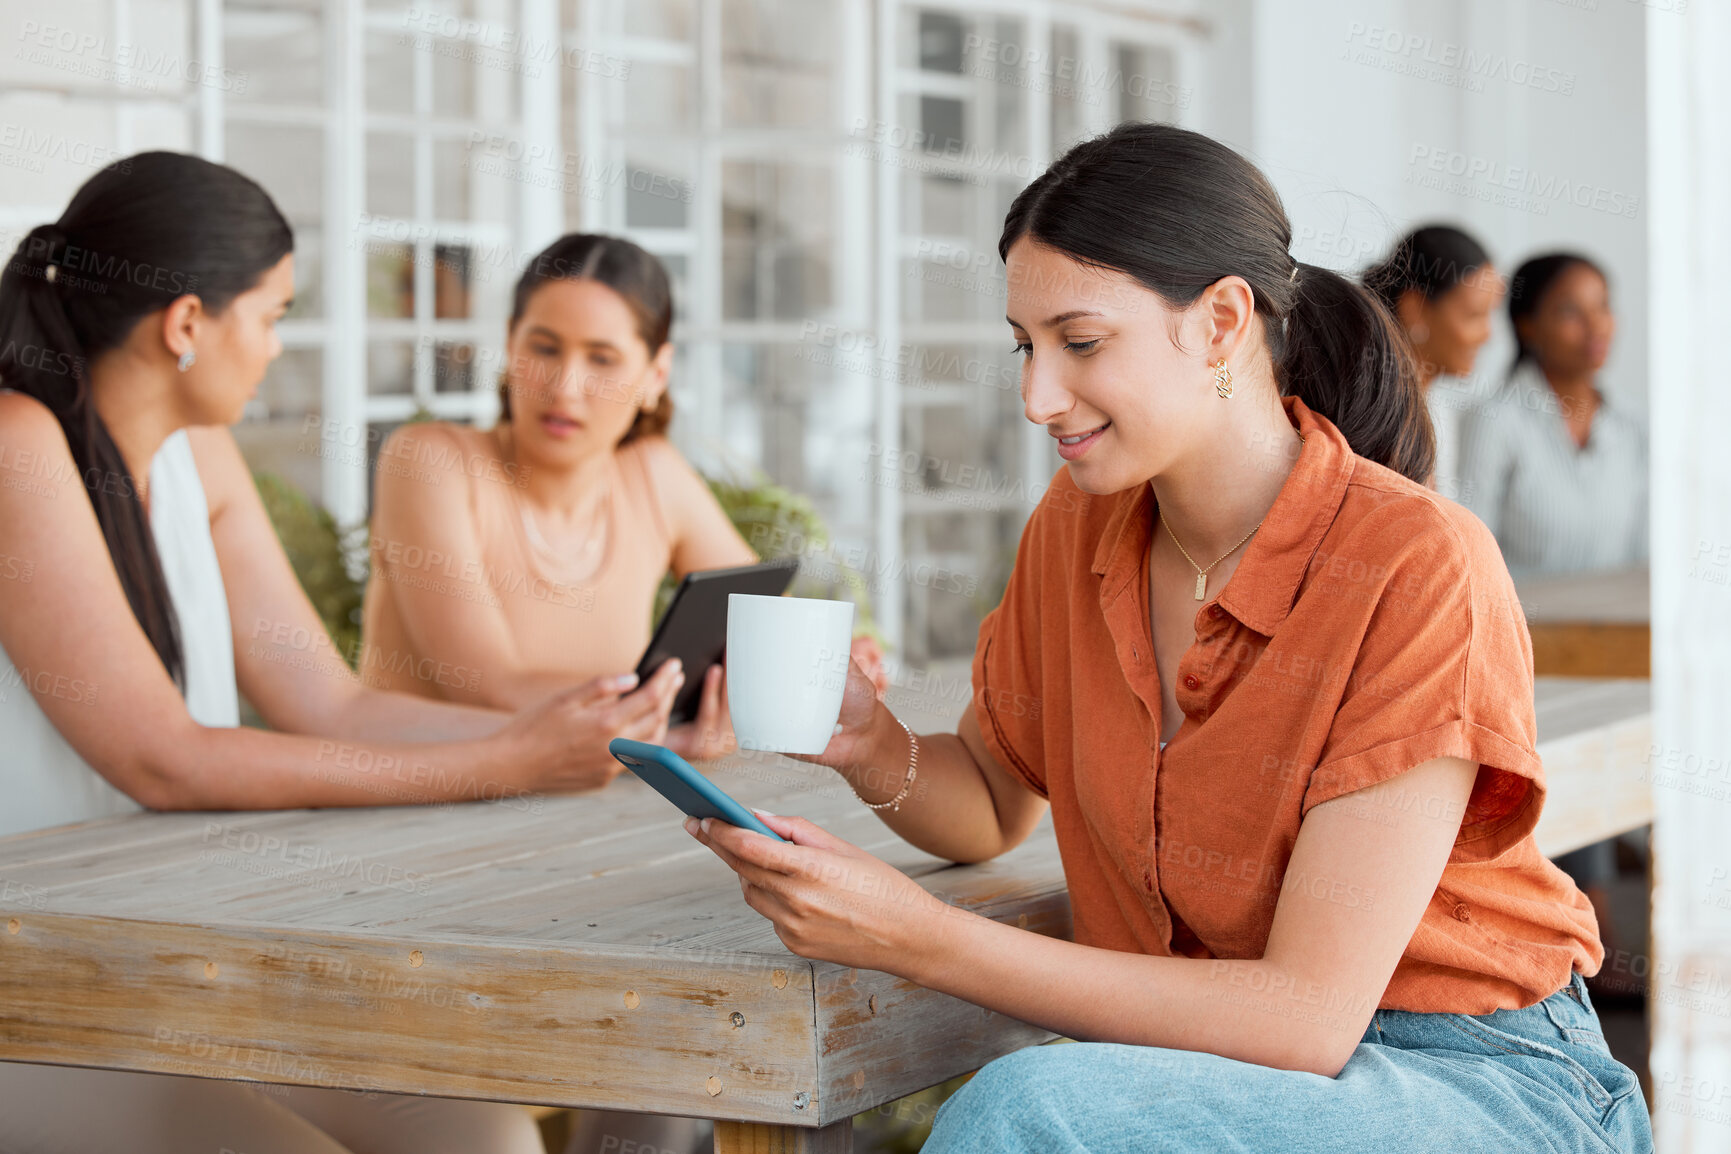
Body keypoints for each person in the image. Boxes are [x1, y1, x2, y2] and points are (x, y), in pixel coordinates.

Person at [685, 123, 1652, 1152]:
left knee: (1028, 1111)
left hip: (1473, 1074)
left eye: (1081, 341)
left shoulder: (1416, 563)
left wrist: (919, 939)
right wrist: (869, 740)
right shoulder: (1077, 524)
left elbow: (1304, 1019)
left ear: (1224, 321)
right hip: (1207, 1066)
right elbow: (992, 801)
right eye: (1025, 344)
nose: (1036, 396)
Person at [0, 153, 688, 1153]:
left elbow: (331, 702)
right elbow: (162, 755)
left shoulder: (202, 452)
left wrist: (584, 731)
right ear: (187, 322)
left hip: (170, 954)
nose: (281, 347)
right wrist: (502, 764)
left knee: (485, 1138)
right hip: (38, 985)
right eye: (273, 315)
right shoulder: (19, 442)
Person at [359, 233, 885, 766]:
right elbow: (487, 686)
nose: (565, 387)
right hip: (412, 816)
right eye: (543, 348)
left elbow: (770, 628)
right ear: (510, 346)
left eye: (602, 359)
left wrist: (828, 666)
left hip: (596, 814)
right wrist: (654, 734)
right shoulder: (431, 462)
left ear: (655, 376)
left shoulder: (654, 475)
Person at [1457, 252, 1647, 576]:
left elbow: (1646, 552)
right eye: (1571, 312)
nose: (1596, 326)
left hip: (1622, 624)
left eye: (1603, 306)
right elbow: (1471, 558)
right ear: (1528, 325)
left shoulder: (1632, 423)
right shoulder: (1493, 421)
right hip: (1524, 623)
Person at [1362, 225, 1505, 501]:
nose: (1488, 336)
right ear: (1415, 309)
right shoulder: (1373, 412)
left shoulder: (1436, 408)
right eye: (1474, 316)